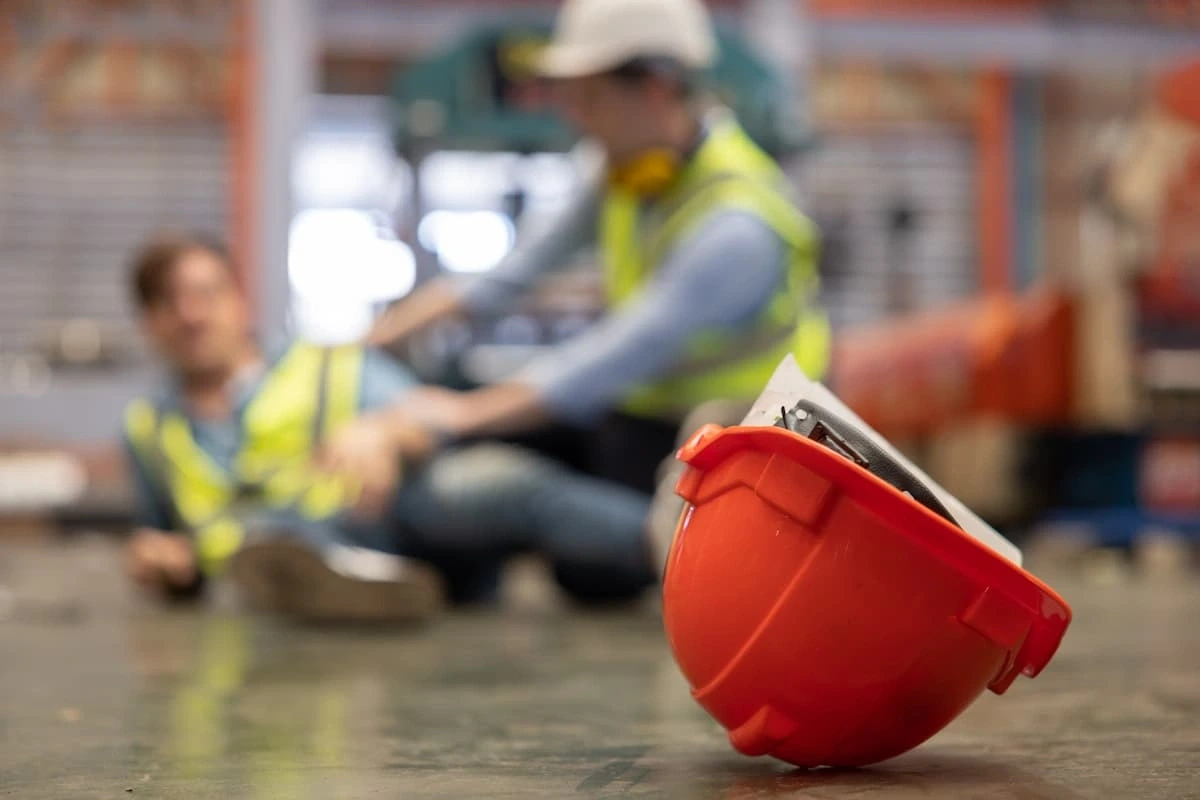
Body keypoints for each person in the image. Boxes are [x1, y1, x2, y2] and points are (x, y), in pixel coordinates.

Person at [365, 0, 831, 495]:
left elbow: (621, 352)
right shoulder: (619, 170)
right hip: (646, 420)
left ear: (656, 89)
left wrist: (462, 415)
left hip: (741, 449)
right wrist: (372, 340)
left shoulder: (737, 224)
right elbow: (515, 271)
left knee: (512, 492)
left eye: (590, 99)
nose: (577, 119)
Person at [121, 233, 659, 623]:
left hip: (386, 519)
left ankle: (671, 543)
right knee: (280, 544)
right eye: (169, 301)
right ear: (148, 322)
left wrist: (383, 431)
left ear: (239, 300)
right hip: (265, 566)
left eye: (207, 293)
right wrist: (164, 563)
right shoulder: (148, 429)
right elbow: (164, 539)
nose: (191, 315)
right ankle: (330, 573)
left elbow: (431, 420)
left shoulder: (324, 364)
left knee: (495, 481)